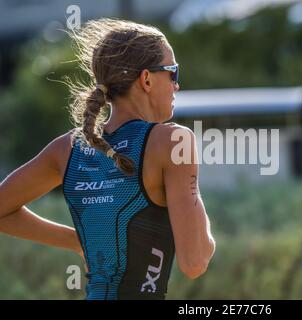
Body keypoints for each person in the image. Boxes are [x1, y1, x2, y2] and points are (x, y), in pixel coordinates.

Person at [0, 18, 215, 300]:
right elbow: (195, 262)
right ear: (146, 79)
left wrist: (77, 242)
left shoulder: (67, 148)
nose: (176, 85)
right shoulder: (173, 141)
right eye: (173, 73)